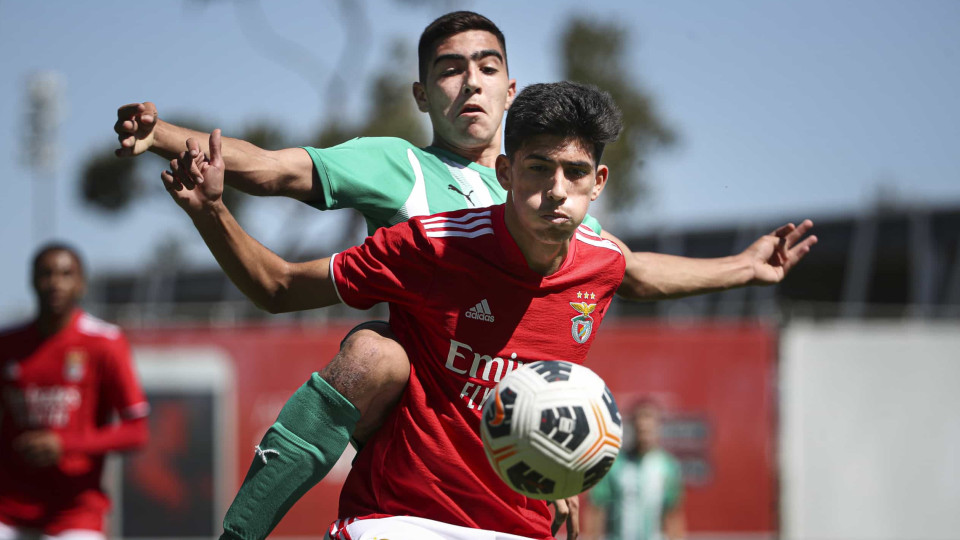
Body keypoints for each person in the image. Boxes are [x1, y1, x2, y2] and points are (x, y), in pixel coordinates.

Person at [116, 12, 816, 538]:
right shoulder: (402, 170)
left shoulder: (555, 198)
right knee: (374, 353)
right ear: (422, 93)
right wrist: (165, 136)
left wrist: (743, 267)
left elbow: (630, 270)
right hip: (414, 425)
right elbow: (270, 168)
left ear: (512, 87)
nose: (471, 80)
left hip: (503, 453)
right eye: (451, 68)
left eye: (486, 66)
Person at [165, 78, 631, 540]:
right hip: (401, 519)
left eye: (575, 172)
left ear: (598, 183)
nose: (556, 189)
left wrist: (559, 466)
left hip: (521, 528)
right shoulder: (433, 245)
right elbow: (279, 288)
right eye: (538, 168)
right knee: (371, 353)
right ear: (505, 172)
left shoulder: (604, 266)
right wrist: (212, 212)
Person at [0, 244, 150, 540]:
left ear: (81, 283)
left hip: (76, 511)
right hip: (9, 507)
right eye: (46, 273)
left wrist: (64, 444)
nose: (55, 282)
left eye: (66, 274)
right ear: (32, 280)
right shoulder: (8, 344)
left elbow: (137, 431)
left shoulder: (105, 342)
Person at [588, 399, 685, 540]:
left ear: (658, 425)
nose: (644, 426)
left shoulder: (667, 466)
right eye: (639, 422)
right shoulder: (615, 463)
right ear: (633, 426)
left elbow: (673, 514)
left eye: (649, 420)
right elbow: (597, 509)